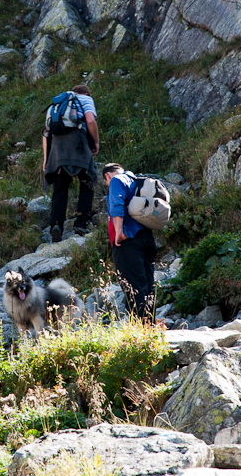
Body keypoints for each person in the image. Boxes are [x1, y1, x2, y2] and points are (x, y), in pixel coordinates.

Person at [42, 84, 100, 242]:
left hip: (57, 150)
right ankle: (81, 224)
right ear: (86, 93)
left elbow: (46, 133)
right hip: (78, 146)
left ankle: (56, 225)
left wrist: (46, 159)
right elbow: (90, 120)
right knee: (87, 182)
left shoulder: (58, 104)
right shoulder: (86, 99)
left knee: (60, 189)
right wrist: (96, 142)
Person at [103, 163, 158, 322]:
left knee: (132, 285)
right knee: (147, 283)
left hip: (128, 241)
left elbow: (117, 205)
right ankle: (150, 324)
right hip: (147, 238)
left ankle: (141, 329)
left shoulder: (116, 180)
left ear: (107, 176)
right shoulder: (137, 181)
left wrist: (119, 232)